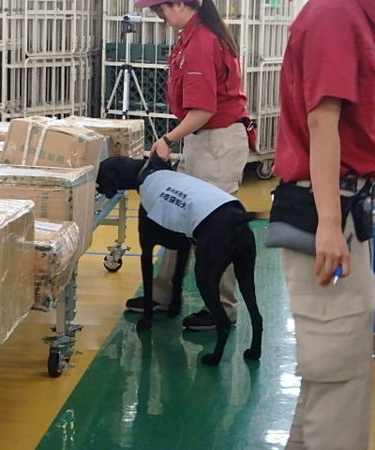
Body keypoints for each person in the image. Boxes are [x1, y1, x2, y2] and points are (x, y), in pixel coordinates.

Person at [271, 0, 375, 448]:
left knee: (331, 371)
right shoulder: (335, 14)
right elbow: (322, 120)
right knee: (339, 379)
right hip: (327, 213)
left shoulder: (364, 16)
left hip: (349, 206)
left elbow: (357, 122)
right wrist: (328, 224)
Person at [129, 0, 253, 331]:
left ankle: (221, 309)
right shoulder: (191, 35)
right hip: (203, 139)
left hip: (218, 142)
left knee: (214, 227)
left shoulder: (202, 42)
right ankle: (164, 293)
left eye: (161, 10)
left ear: (181, 3)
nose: (160, 17)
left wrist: (167, 140)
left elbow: (203, 110)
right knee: (179, 214)